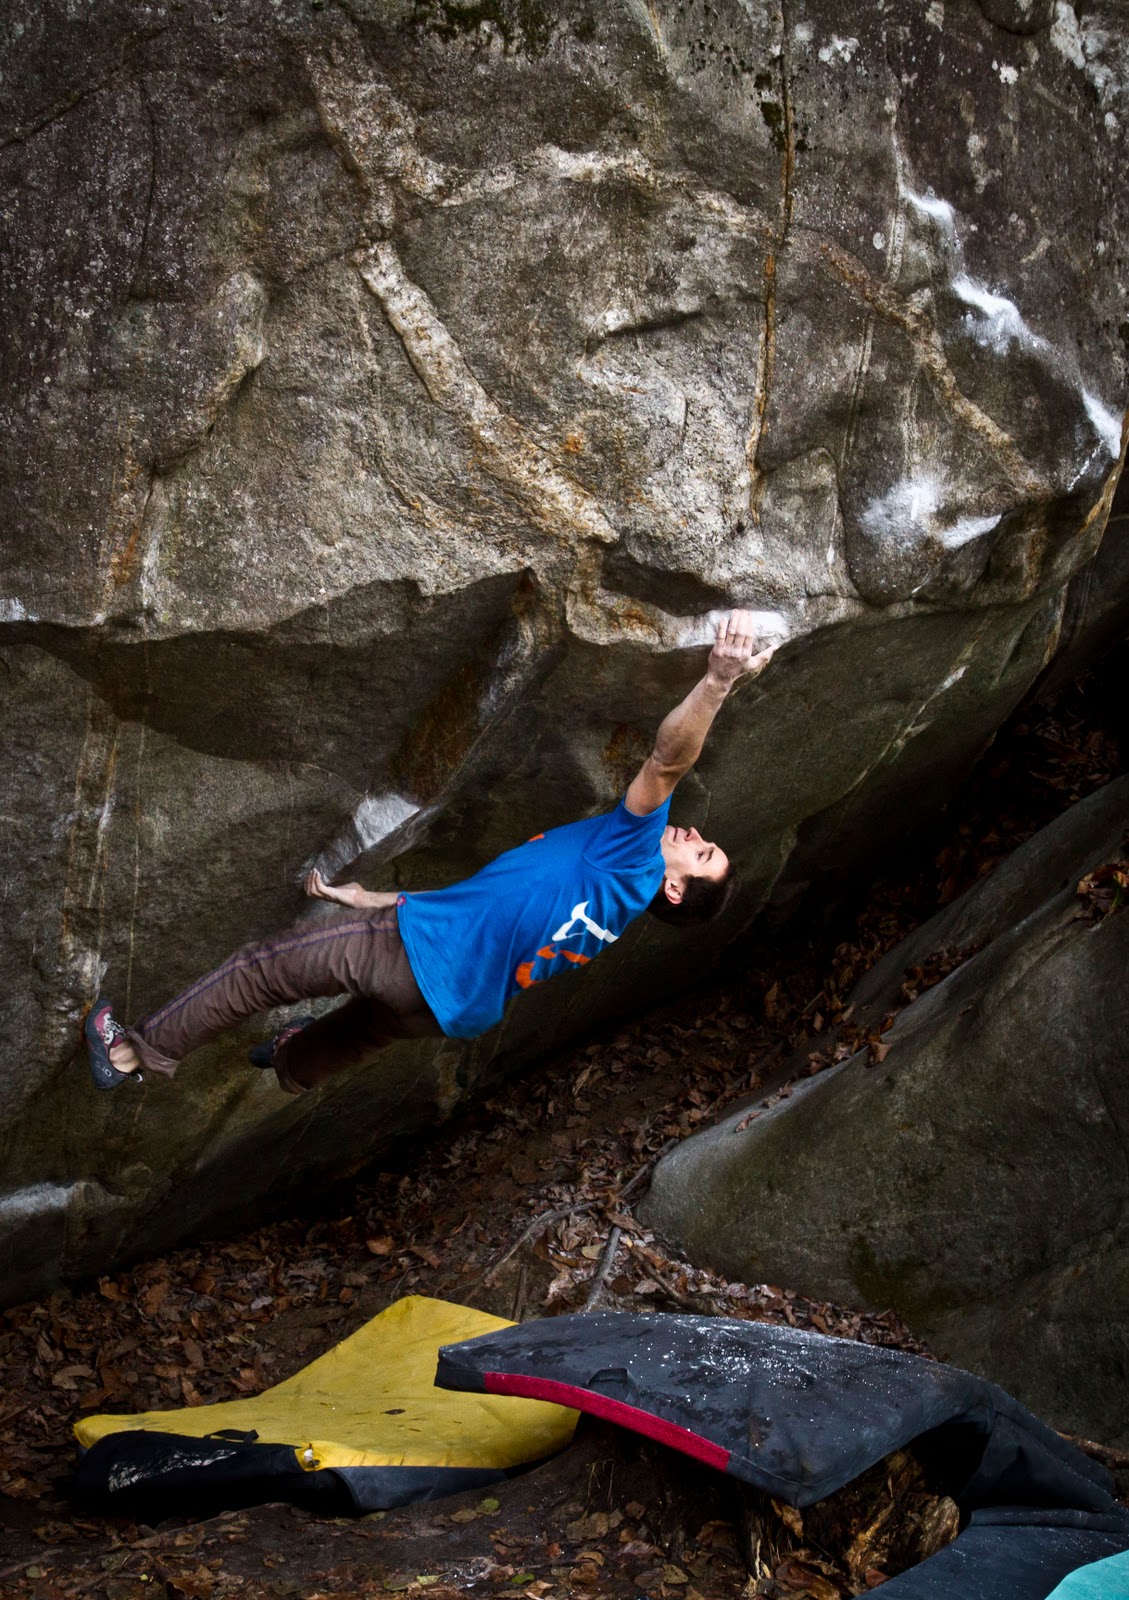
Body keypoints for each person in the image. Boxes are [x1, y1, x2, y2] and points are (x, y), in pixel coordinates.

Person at [85, 611, 776, 1095]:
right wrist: (371, 899)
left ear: (674, 890)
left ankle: (130, 1054)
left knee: (261, 973)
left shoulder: (630, 861)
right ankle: (292, 1063)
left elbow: (665, 762)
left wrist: (717, 680)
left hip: (415, 952)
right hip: (448, 1005)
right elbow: (496, 914)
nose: (690, 834)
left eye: (702, 852)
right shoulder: (609, 910)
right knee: (354, 1033)